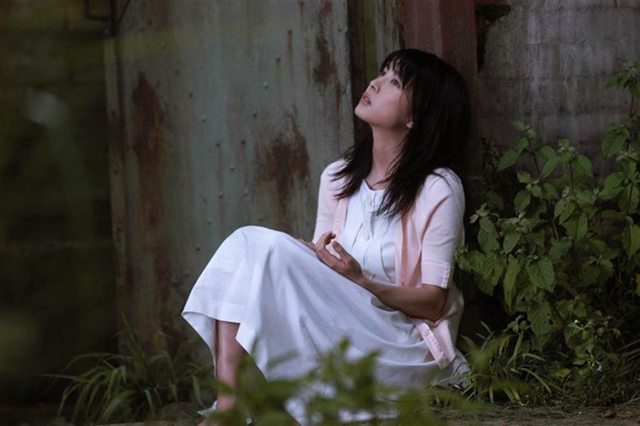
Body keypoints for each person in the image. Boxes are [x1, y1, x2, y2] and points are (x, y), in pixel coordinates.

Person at [182, 48, 471, 425]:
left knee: (262, 246)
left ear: (416, 116)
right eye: (381, 73)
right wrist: (313, 258)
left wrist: (362, 281)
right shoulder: (338, 178)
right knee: (247, 244)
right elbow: (323, 267)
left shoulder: (438, 189)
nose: (375, 83)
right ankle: (229, 404)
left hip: (402, 348)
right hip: (343, 333)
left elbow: (433, 303)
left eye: (394, 82)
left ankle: (234, 407)